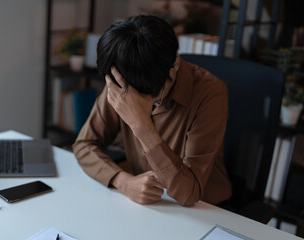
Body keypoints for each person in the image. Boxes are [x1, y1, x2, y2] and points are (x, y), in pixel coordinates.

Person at [73, 15, 232, 206]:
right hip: (148, 201)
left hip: (205, 208)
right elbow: (84, 145)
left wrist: (142, 126)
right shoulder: (124, 79)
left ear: (175, 63)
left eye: (147, 95)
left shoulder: (211, 93)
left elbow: (190, 194)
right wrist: (123, 181)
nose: (133, 98)